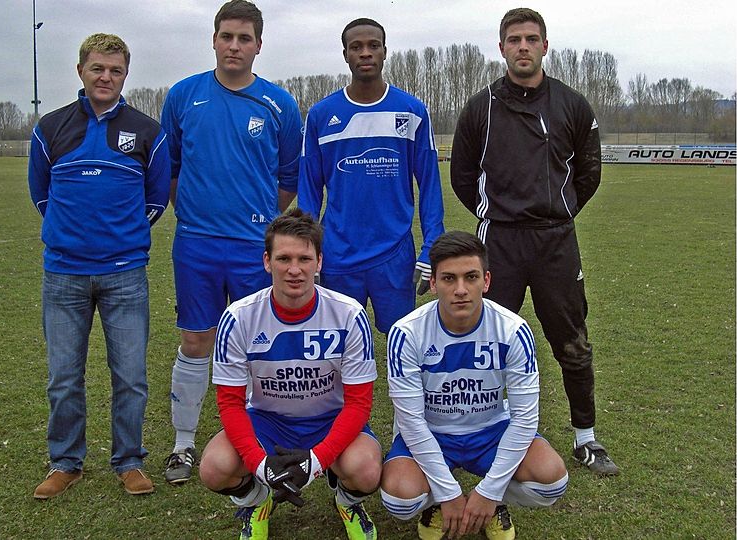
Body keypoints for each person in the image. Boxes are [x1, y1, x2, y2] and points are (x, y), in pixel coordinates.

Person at [449, 7, 619, 476]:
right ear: (501, 47)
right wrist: (500, 213)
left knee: (571, 340)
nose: (522, 46)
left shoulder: (573, 105)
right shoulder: (479, 107)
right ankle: (474, 429)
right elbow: (463, 177)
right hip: (498, 242)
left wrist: (553, 215)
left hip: (555, 244)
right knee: (484, 338)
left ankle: (585, 438)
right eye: (513, 39)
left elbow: (588, 174)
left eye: (531, 39)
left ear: (545, 46)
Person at [160, 0, 304, 485]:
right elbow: (170, 170)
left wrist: (259, 217)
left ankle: (252, 441)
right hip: (197, 244)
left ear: (258, 45)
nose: (235, 46)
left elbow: (288, 179)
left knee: (253, 347)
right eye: (227, 36)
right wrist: (197, 212)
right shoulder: (183, 96)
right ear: (214, 40)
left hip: (251, 247)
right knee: (197, 340)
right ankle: (183, 446)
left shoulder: (279, 104)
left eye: (245, 38)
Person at [27, 33, 170, 499]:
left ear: (125, 75)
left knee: (130, 375)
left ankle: (129, 460)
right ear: (81, 71)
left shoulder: (147, 130)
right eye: (97, 68)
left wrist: (119, 239)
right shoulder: (50, 127)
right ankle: (65, 462)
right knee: (64, 377)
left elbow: (156, 198)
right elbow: (41, 194)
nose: (105, 77)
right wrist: (74, 235)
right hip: (63, 275)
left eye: (115, 70)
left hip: (125, 274)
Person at [198, 208, 381, 540]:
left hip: (330, 419)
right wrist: (258, 465)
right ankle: (258, 500)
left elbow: (358, 404)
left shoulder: (349, 315)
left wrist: (316, 461)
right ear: (267, 262)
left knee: (366, 470)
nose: (294, 269)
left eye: (304, 258)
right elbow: (230, 404)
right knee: (214, 468)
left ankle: (347, 500)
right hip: (267, 422)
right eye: (283, 258)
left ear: (319, 262)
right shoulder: (238, 318)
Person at [380, 231, 569, 540]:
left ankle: (492, 504)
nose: (461, 290)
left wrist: (490, 492)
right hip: (432, 432)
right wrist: (448, 492)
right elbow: (411, 421)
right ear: (433, 283)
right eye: (449, 279)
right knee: (400, 500)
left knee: (551, 481)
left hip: (491, 431)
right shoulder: (407, 333)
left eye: (471, 277)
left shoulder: (513, 330)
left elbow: (524, 418)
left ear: (487, 281)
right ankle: (439, 504)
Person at [298, 17, 445, 336]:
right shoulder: (322, 115)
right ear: (345, 54)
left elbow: (430, 185)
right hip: (338, 252)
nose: (365, 53)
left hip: (394, 254)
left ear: (385, 51)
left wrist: (431, 244)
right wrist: (307, 249)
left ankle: (403, 388)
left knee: (401, 342)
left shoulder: (412, 110)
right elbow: (309, 190)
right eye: (356, 47)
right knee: (336, 343)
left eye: (373, 45)